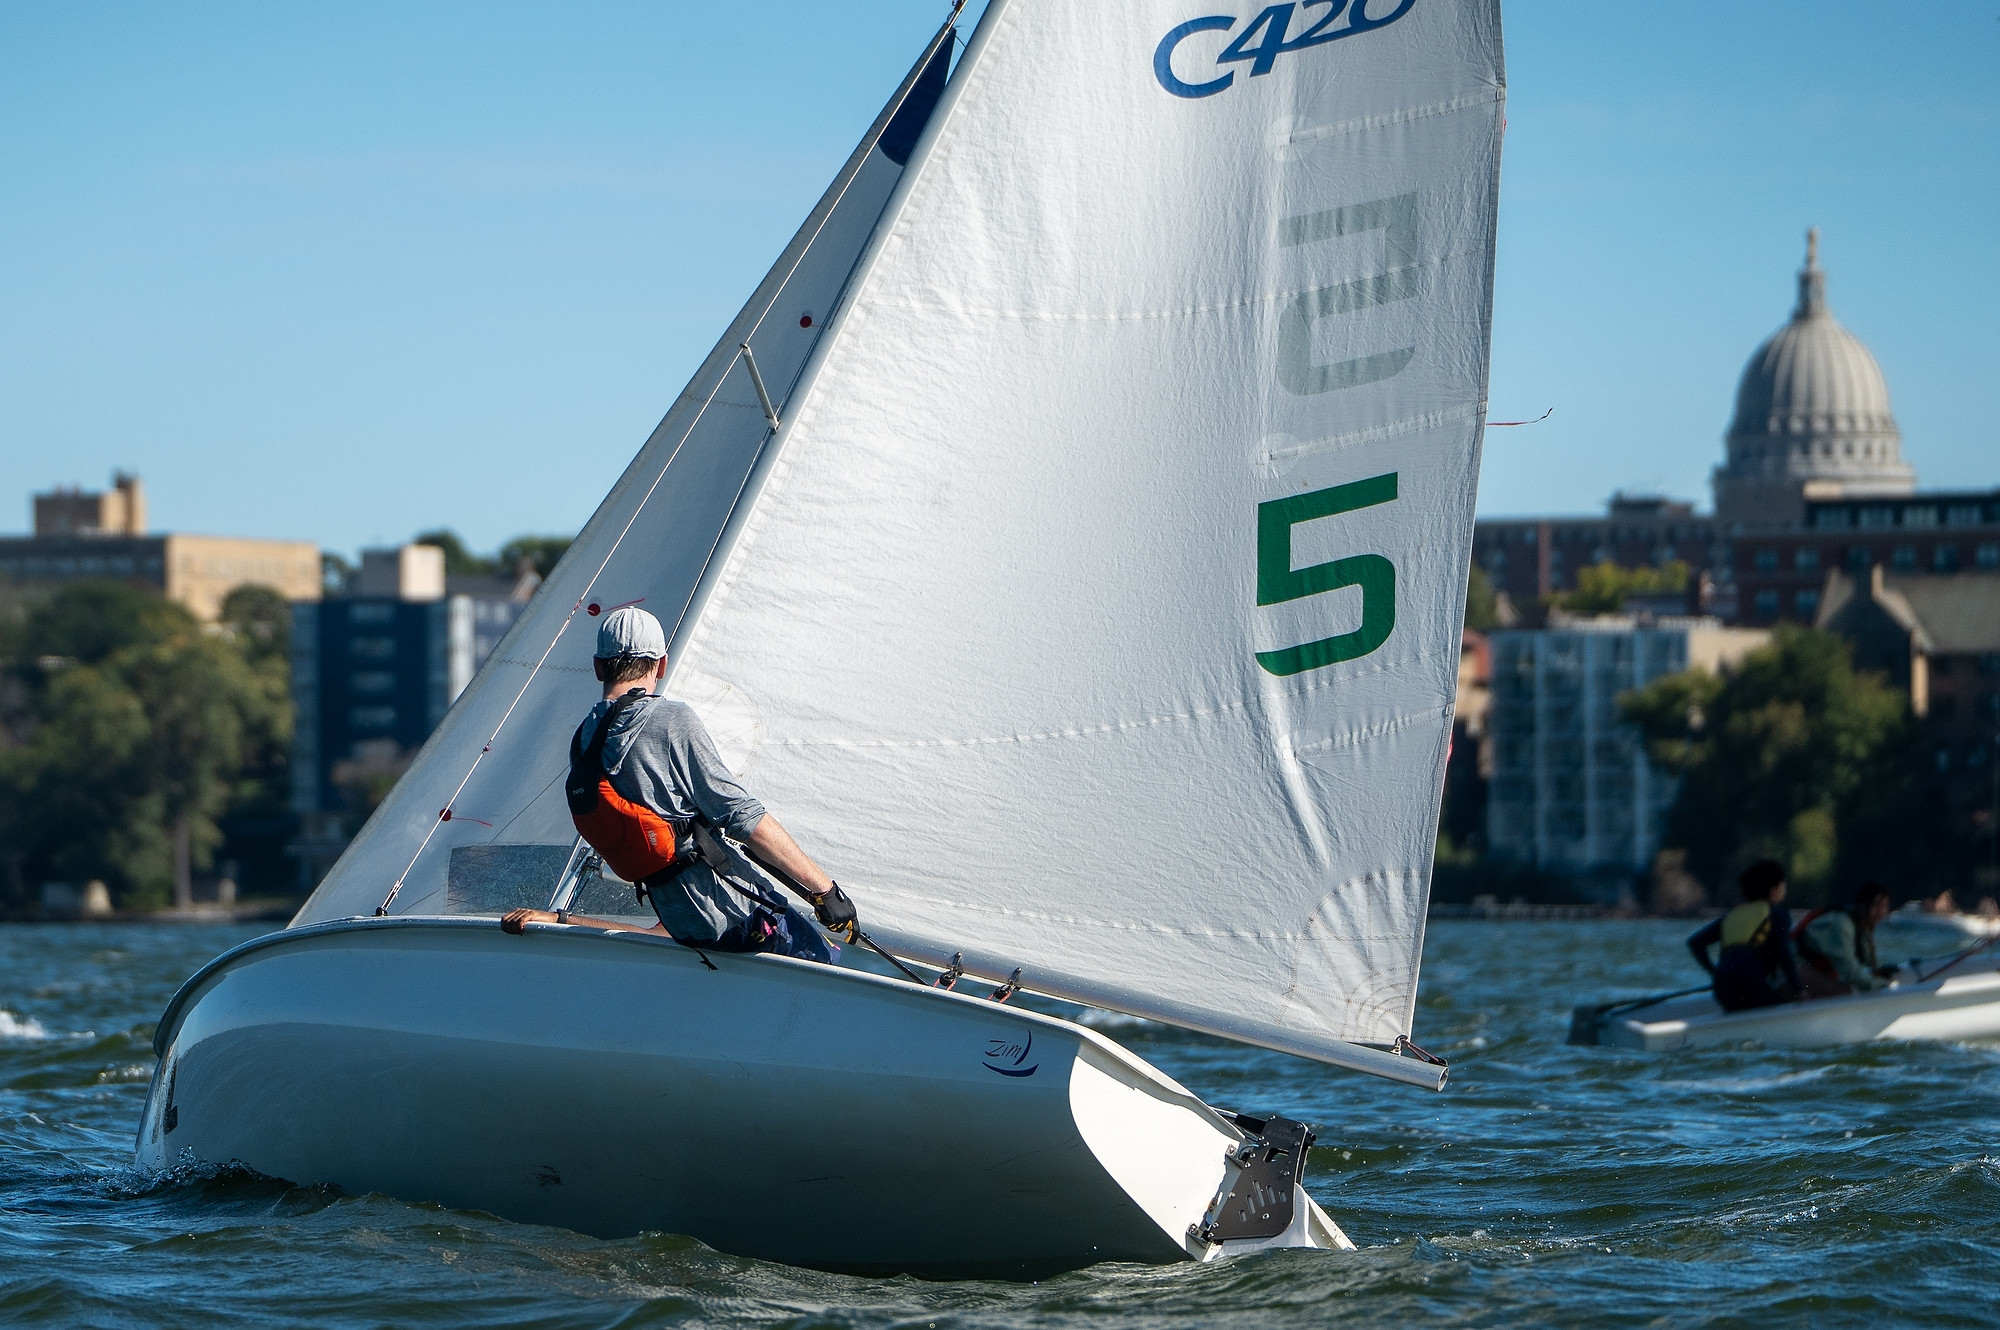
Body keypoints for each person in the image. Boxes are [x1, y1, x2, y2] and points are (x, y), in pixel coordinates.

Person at [499, 605, 856, 961]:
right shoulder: (671, 720)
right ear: (662, 663)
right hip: (739, 916)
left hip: (684, 922)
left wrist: (561, 918)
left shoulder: (583, 741)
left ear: (597, 667)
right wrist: (825, 892)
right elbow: (743, 817)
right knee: (835, 965)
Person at [1686, 859, 1801, 1012]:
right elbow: (1783, 952)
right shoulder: (1777, 914)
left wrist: (1714, 972)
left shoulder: (1732, 915)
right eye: (1783, 885)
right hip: (1750, 985)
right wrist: (1799, 990)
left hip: (1722, 988)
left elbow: (1695, 942)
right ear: (1774, 890)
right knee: (1783, 999)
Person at [1794, 881, 1896, 999]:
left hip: (1807, 972)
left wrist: (1879, 975)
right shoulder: (1842, 924)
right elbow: (1849, 970)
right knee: (1844, 993)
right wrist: (1881, 986)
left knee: (1850, 988)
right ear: (1862, 905)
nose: (1881, 911)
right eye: (1876, 905)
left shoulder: (1863, 928)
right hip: (1794, 971)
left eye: (1884, 906)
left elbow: (1866, 965)